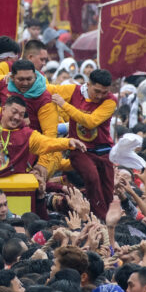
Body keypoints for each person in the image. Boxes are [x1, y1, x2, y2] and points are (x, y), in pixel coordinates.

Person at [48, 68, 117, 219]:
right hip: (80, 149)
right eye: (96, 91)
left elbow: (91, 122)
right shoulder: (73, 90)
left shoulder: (111, 100)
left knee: (108, 193)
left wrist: (64, 105)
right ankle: (100, 221)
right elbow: (48, 89)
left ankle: (100, 218)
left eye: (104, 92)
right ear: (88, 84)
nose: (99, 96)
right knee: (92, 178)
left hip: (104, 151)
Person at [0, 96, 86, 178]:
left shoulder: (27, 134)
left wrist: (68, 142)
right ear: (3, 109)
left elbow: (47, 143)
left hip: (15, 186)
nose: (16, 117)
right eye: (14, 112)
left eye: (21, 114)